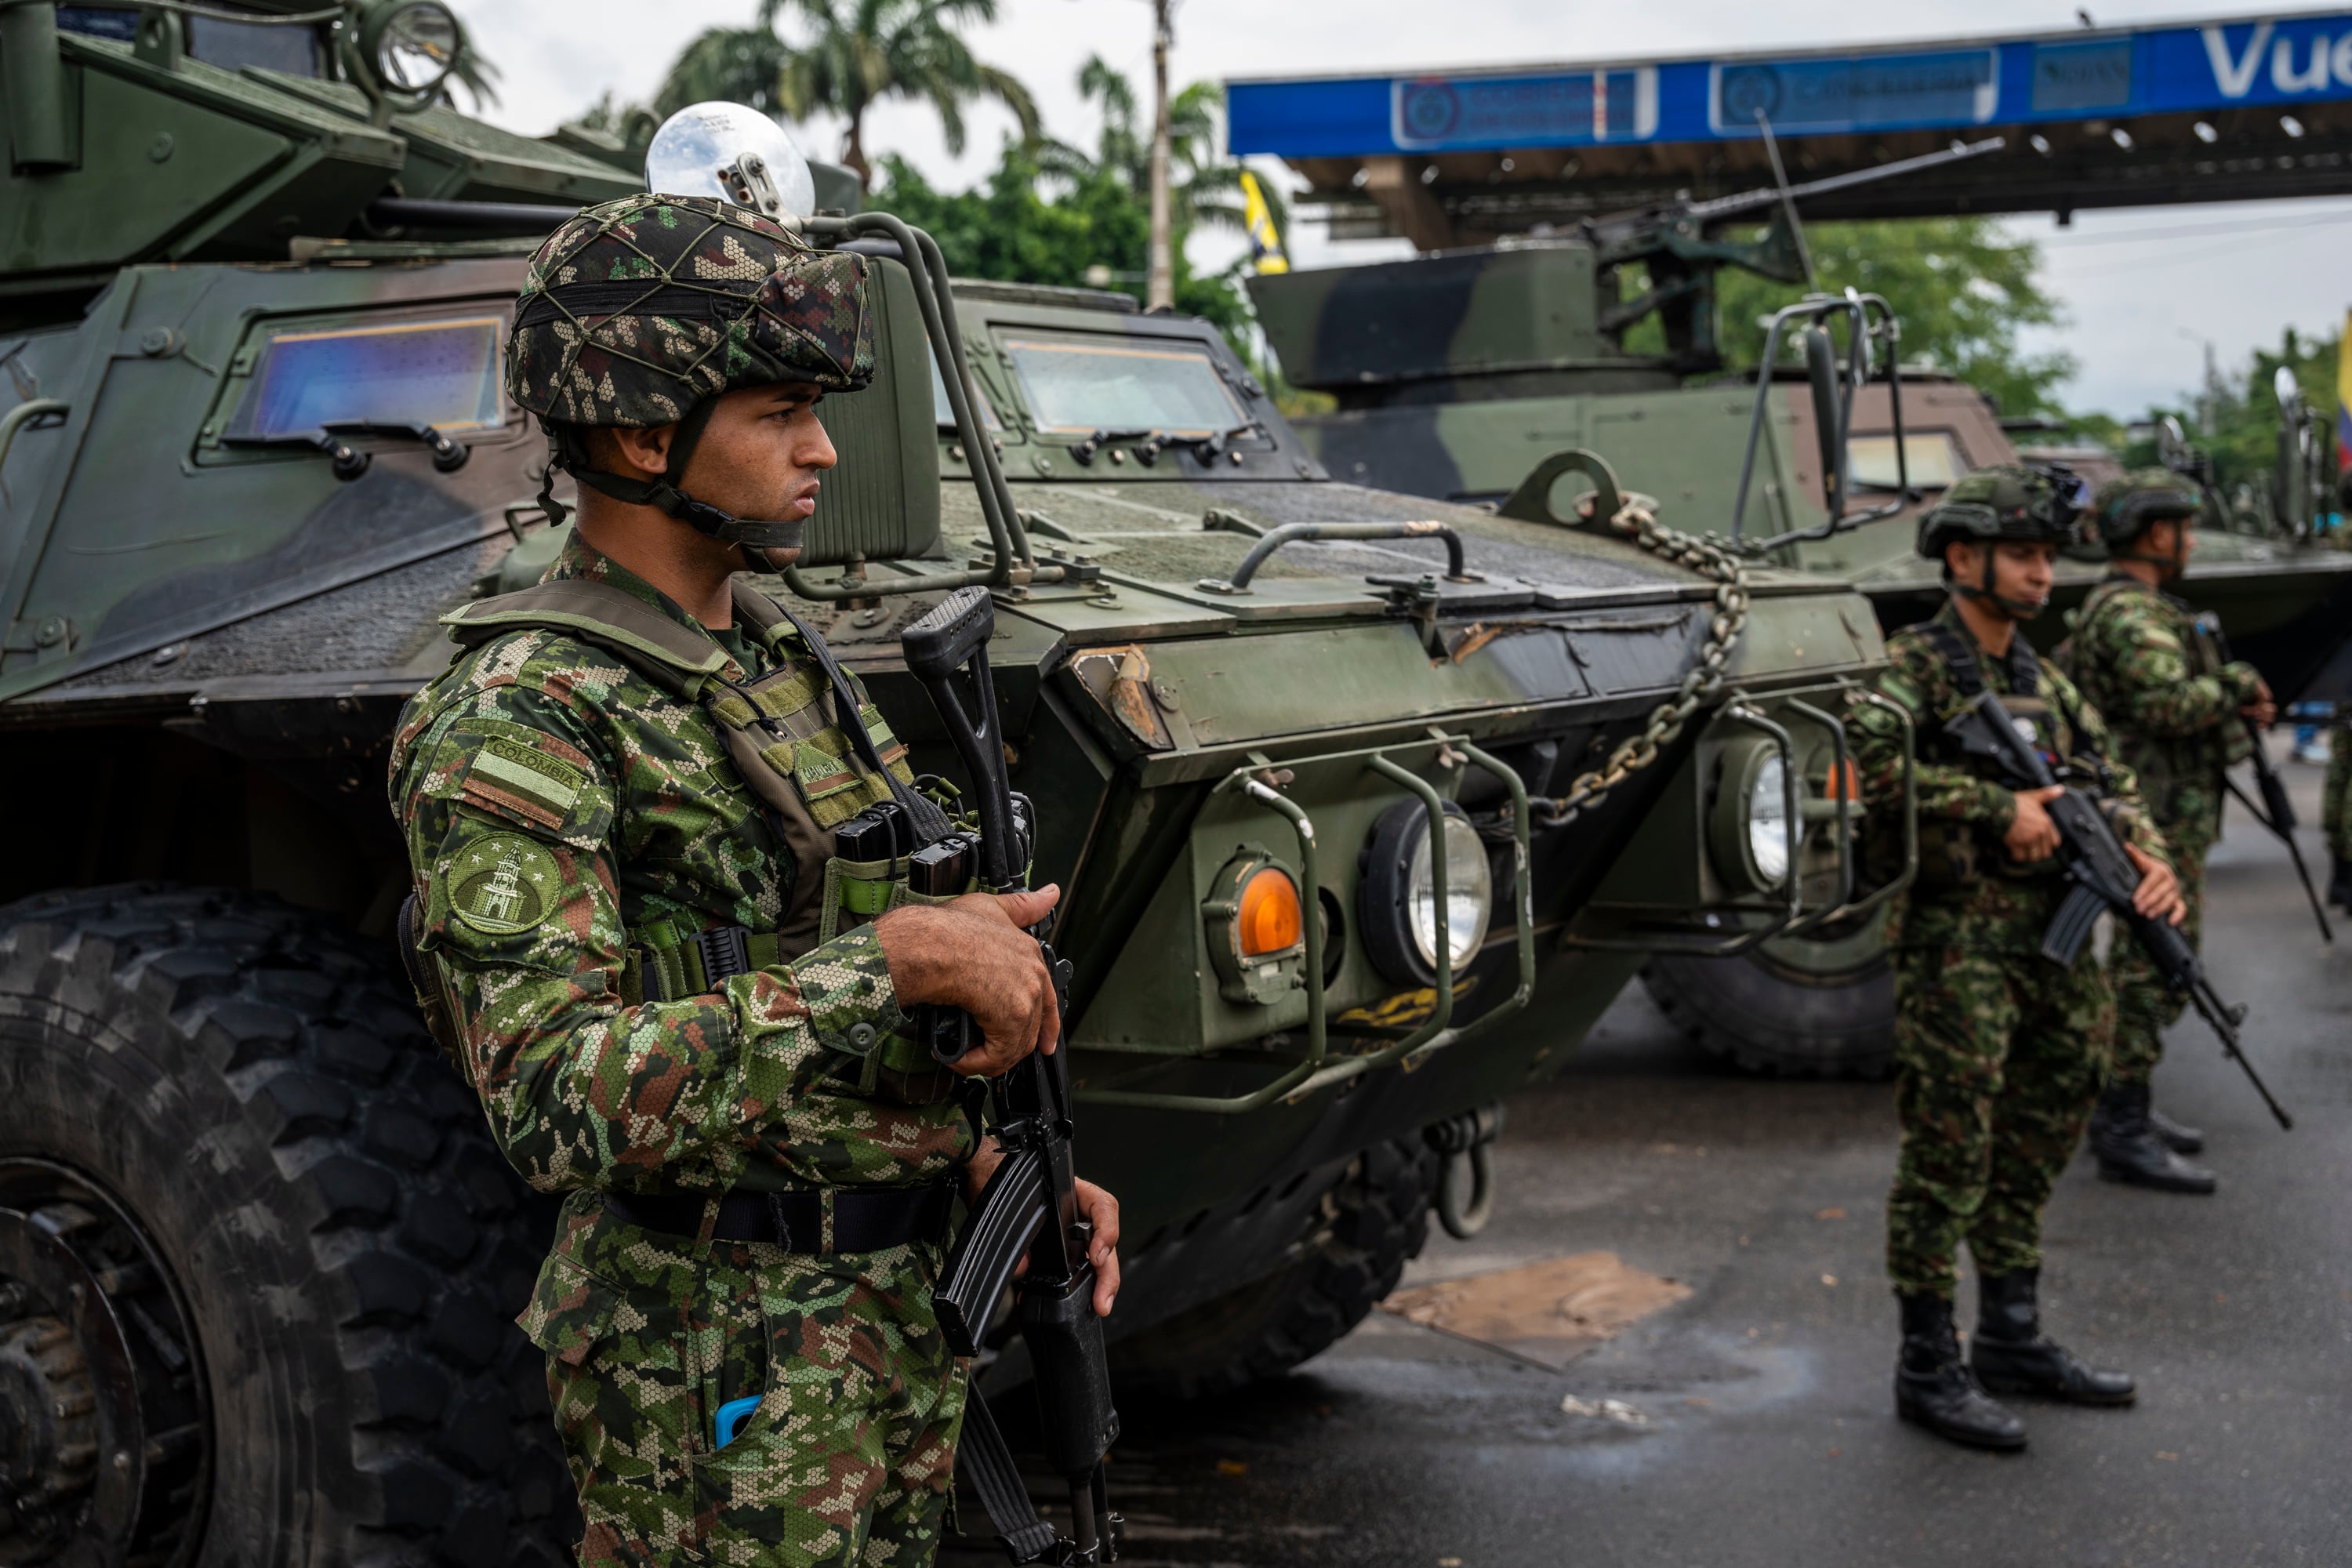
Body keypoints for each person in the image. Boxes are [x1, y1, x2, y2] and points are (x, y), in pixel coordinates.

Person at [387, 194, 1120, 1566]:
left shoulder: (776, 654)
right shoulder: (524, 714)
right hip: (713, 1363)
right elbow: (551, 1096)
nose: (823, 448)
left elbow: (790, 943)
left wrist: (979, 1163)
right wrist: (890, 966)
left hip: (878, 1334)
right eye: (780, 410)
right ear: (643, 432)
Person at [1853, 465, 2184, 1452]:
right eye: (2026, 554)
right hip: (1959, 950)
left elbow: (2112, 776)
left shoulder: (2043, 679)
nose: (2045, 573)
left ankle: (2010, 1333)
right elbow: (1862, 767)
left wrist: (2146, 854)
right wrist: (1996, 806)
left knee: (2046, 1120)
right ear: (1964, 557)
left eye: (2050, 555)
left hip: (2052, 951)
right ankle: (1926, 1361)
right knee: (1949, 1147)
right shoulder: (1916, 666)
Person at [2063, 470, 2274, 1195]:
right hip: (2151, 815)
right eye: (2182, 527)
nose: (2189, 540)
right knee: (2154, 967)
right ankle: (2120, 1126)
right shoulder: (2132, 615)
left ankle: (2130, 1108)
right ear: (2157, 535)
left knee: (2153, 964)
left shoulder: (2136, 608)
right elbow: (2163, 704)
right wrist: (2237, 684)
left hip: (2160, 811)